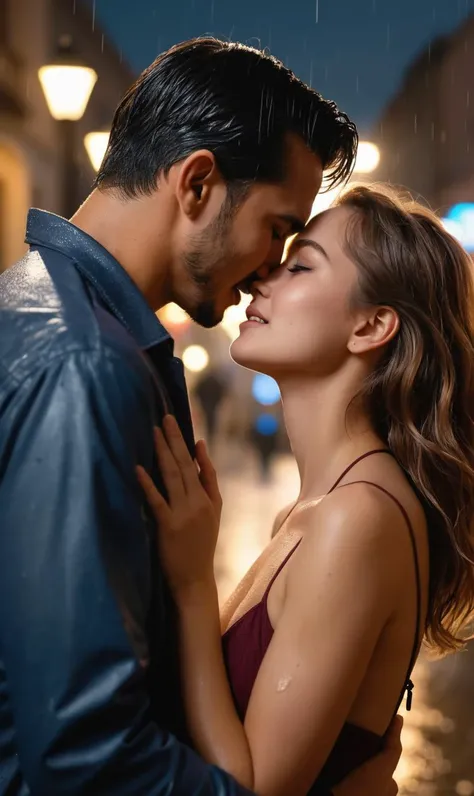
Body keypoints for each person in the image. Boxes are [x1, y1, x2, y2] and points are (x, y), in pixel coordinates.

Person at [0, 37, 400, 795]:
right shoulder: (86, 365)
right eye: (279, 229)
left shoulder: (44, 306)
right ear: (197, 185)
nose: (268, 272)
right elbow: (90, 755)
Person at [137, 185, 474, 795]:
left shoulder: (358, 517)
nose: (258, 282)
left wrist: (191, 585)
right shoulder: (317, 509)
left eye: (299, 265)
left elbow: (255, 787)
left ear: (371, 326)